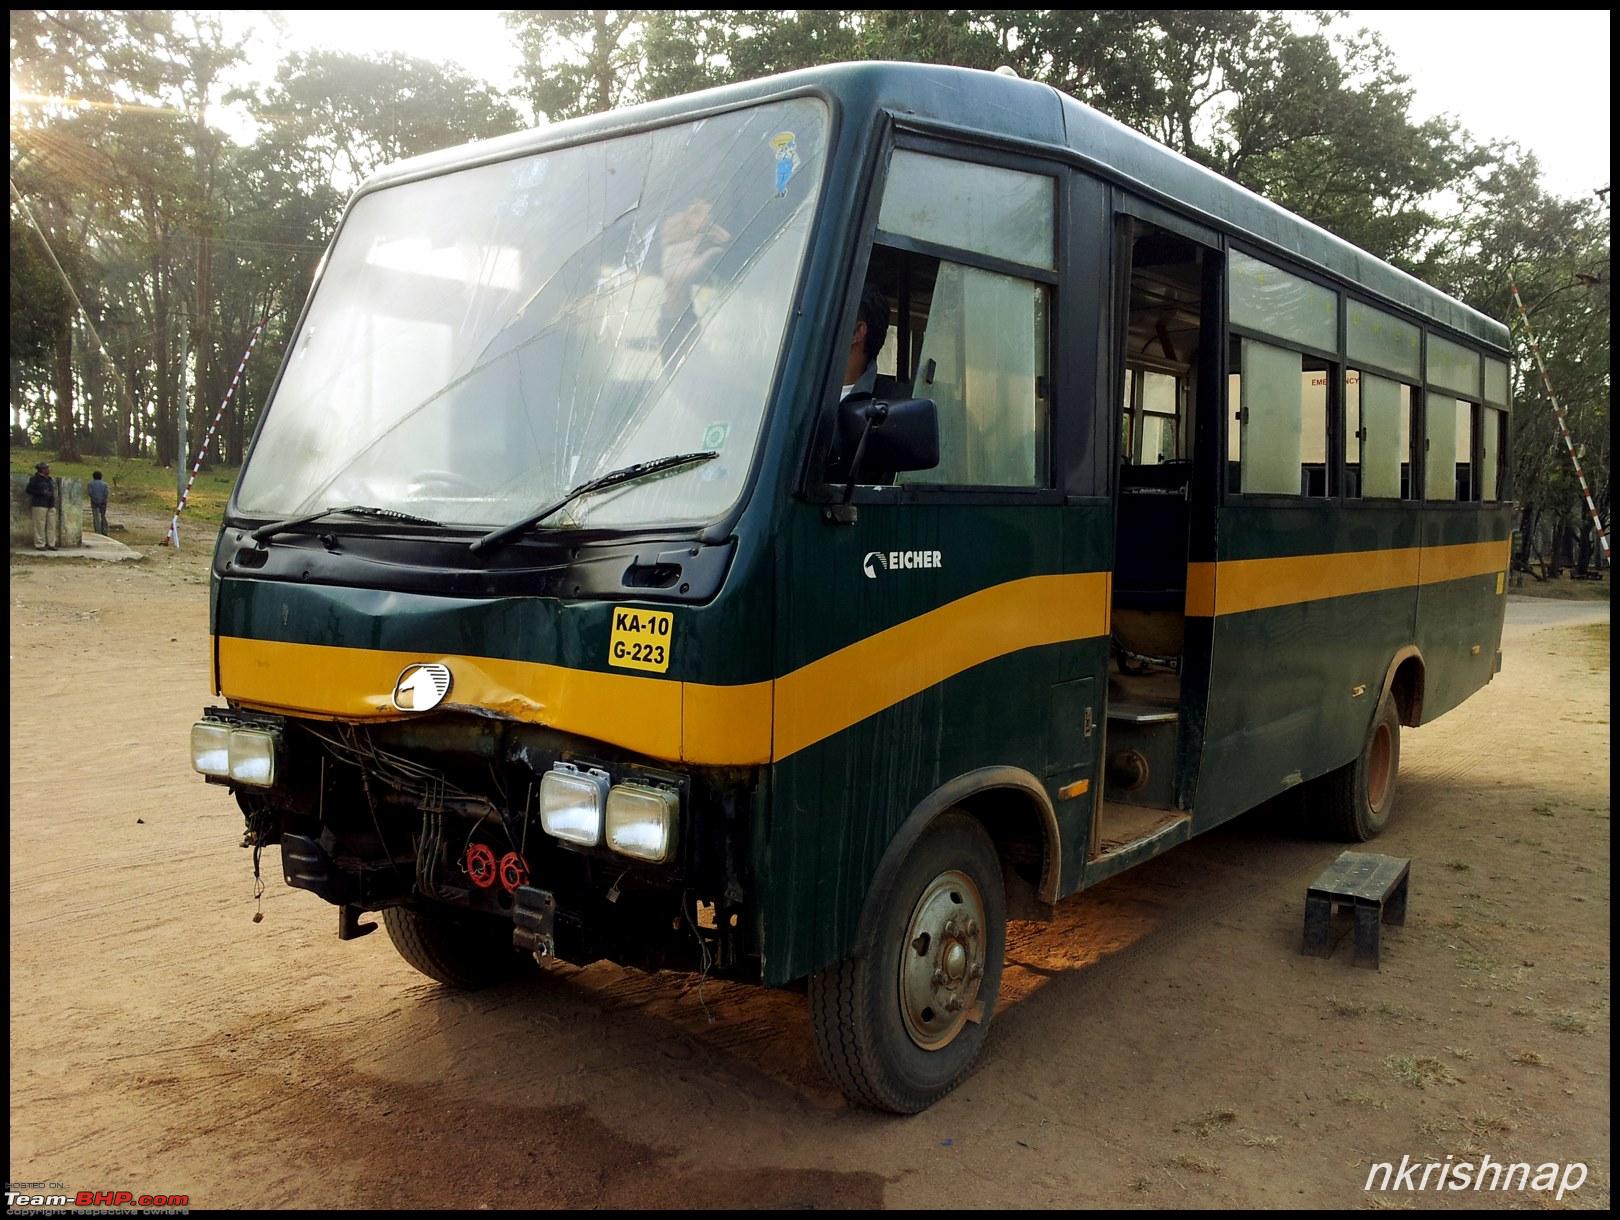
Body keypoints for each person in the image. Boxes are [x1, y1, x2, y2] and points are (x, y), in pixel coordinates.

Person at [25, 461, 56, 551]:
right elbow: (29, 490)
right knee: (39, 525)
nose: (48, 469)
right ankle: (39, 544)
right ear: (42, 470)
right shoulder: (35, 479)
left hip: (50, 504)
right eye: (46, 468)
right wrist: (41, 493)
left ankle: (51, 543)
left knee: (51, 525)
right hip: (39, 504)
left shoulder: (49, 479)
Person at [88, 469, 110, 536]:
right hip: (103, 502)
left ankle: (98, 531)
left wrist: (94, 499)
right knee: (103, 516)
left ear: (93, 476)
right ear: (101, 476)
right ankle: (105, 530)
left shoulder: (90, 484)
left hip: (94, 502)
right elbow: (106, 493)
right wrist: (103, 500)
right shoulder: (105, 484)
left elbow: (90, 493)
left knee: (96, 517)